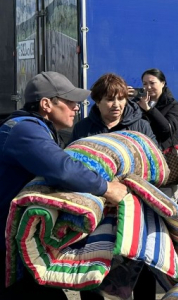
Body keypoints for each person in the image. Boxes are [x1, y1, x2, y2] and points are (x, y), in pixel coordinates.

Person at [0, 71, 128, 300]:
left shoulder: (38, 130)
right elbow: (63, 169)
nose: (77, 107)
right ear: (47, 104)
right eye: (70, 101)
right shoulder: (25, 131)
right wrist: (107, 188)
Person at [69, 73, 158, 300]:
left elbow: (154, 164)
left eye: (120, 99)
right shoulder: (83, 129)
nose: (116, 105)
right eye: (109, 100)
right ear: (97, 102)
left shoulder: (140, 126)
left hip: (134, 206)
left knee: (140, 263)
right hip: (97, 208)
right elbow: (75, 167)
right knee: (91, 263)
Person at [128, 68, 178, 202]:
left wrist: (149, 109)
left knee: (167, 202)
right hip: (143, 159)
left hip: (166, 161)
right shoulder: (137, 104)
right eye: (145, 84)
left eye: (152, 83)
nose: (148, 87)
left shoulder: (174, 105)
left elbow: (167, 129)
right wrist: (126, 100)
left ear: (163, 83)